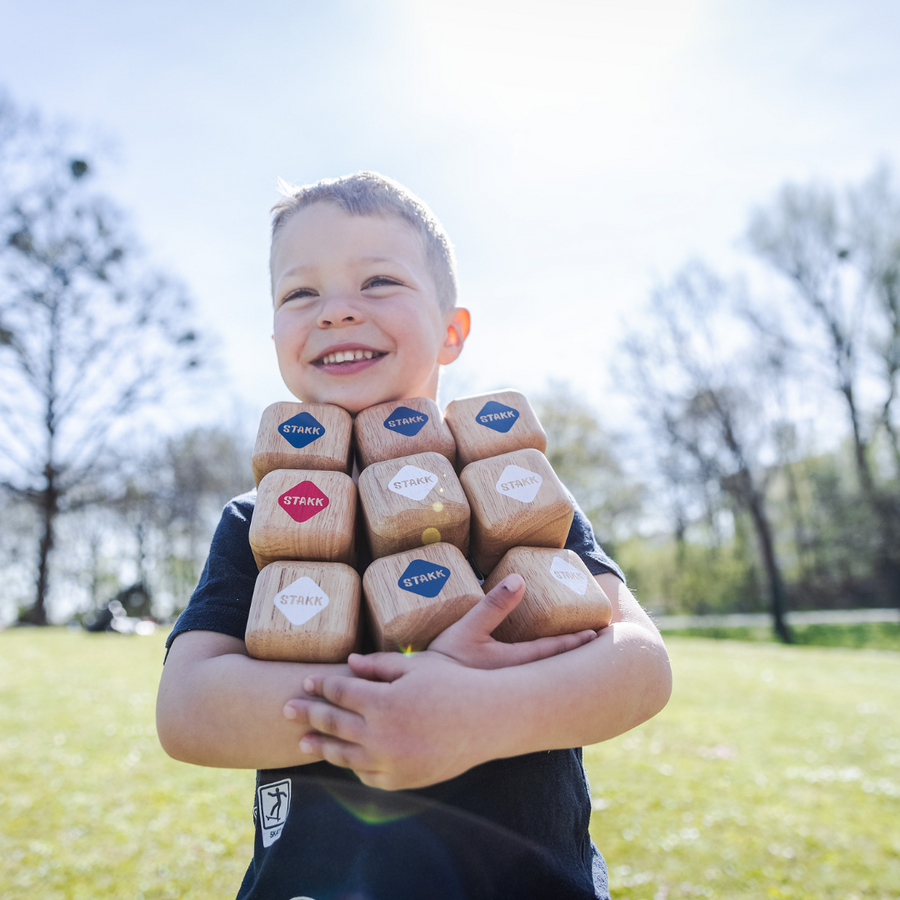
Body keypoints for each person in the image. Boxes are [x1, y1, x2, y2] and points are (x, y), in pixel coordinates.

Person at [156, 171, 672, 900]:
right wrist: (380, 712)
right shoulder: (258, 516)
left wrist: (474, 714)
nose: (337, 311)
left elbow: (641, 665)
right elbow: (187, 710)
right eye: (300, 293)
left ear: (452, 329)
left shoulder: (516, 486)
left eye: (378, 281)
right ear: (274, 333)